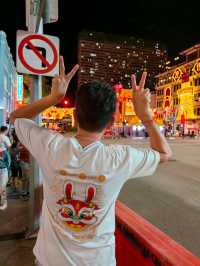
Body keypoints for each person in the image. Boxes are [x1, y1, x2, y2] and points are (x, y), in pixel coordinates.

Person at [10, 57, 172, 266]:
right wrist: (146, 116)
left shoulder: (51, 146)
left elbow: (16, 118)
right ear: (111, 122)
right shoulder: (120, 158)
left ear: (75, 116)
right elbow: (164, 153)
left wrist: (54, 97)